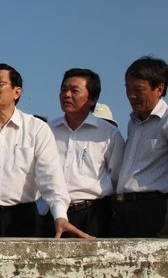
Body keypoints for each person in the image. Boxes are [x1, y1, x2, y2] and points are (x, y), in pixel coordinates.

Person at [0, 63, 93, 238]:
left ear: (17, 91)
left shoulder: (37, 129)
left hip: (25, 217)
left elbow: (50, 177)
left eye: (0, 83)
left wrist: (60, 216)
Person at [111, 56, 168, 238]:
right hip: (126, 210)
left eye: (138, 90)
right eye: (128, 89)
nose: (131, 96)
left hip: (157, 209)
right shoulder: (133, 122)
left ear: (159, 89)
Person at [47, 69, 124, 237]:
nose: (67, 95)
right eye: (63, 89)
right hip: (52, 215)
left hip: (93, 215)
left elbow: (117, 178)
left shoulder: (109, 134)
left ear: (93, 98)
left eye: (75, 90)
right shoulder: (47, 131)